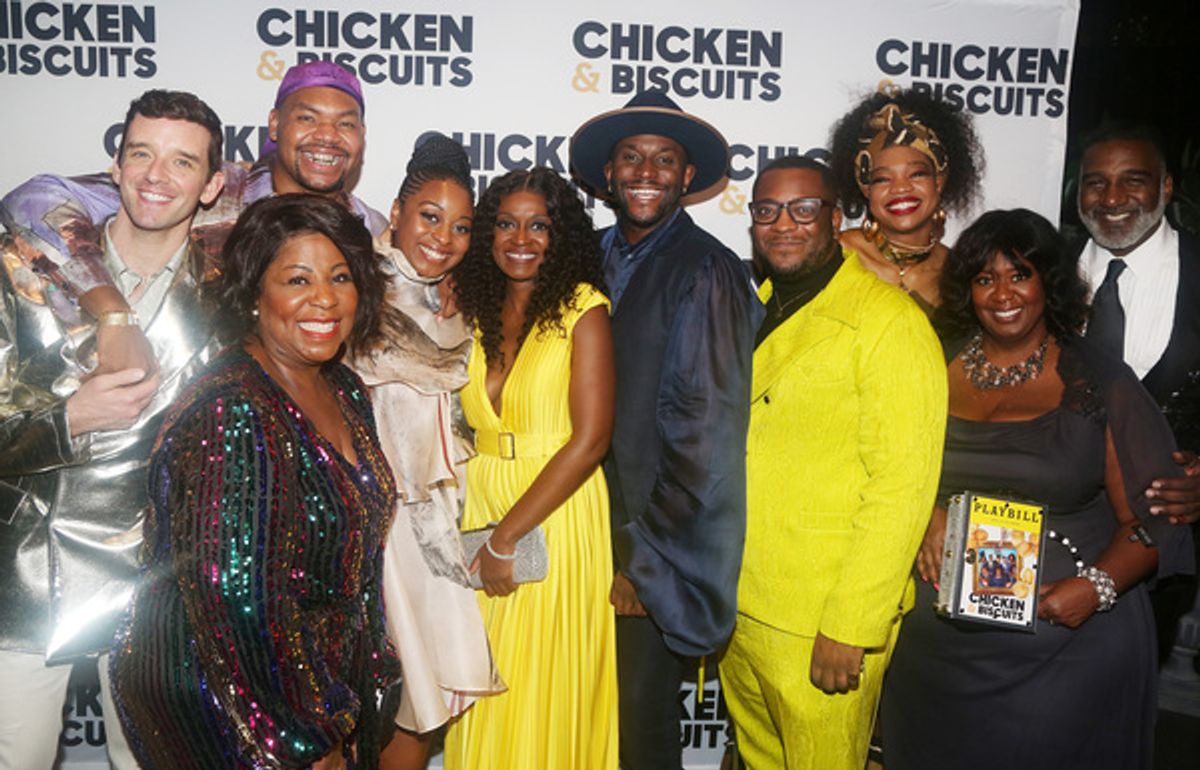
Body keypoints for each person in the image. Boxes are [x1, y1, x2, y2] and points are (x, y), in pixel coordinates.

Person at [881, 208, 1194, 770]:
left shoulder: (1099, 379)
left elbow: (1156, 518)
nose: (1003, 293)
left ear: (1046, 282)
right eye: (984, 278)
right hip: (939, 650)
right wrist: (928, 507)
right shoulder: (929, 364)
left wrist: (1093, 589)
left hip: (1062, 645)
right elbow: (880, 469)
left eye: (1019, 274)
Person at [110, 193, 398, 770]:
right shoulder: (233, 410)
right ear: (252, 295)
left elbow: (358, 558)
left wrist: (365, 684)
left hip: (325, 695)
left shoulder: (344, 390)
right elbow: (238, 600)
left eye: (340, 277)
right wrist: (302, 738)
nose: (324, 298)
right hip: (237, 716)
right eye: (297, 279)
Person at [0, 89, 225, 769]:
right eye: (141, 155)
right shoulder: (30, 271)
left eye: (182, 162)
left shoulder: (232, 293)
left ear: (213, 185)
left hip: (160, 582)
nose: (157, 176)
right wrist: (70, 420)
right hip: (30, 572)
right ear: (116, 166)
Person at [720, 155, 946, 770]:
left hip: (822, 620)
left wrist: (853, 622)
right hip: (741, 602)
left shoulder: (889, 323)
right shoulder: (753, 307)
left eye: (802, 209)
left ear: (835, 216)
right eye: (767, 211)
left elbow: (902, 487)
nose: (783, 224)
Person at [570, 89, 762, 770]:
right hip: (573, 537)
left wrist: (641, 563)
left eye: (663, 159)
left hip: (646, 554)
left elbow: (703, 437)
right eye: (631, 157)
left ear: (686, 176)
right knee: (581, 728)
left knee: (638, 736)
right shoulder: (582, 257)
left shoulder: (707, 270)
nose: (646, 171)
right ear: (608, 173)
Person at [1, 59, 384, 378]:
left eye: (346, 124)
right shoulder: (209, 186)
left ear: (362, 136)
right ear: (274, 124)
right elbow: (35, 201)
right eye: (308, 118)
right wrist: (111, 309)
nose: (327, 137)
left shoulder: (371, 230)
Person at [440, 168, 618, 769]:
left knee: (544, 680)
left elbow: (591, 440)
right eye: (506, 224)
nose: (522, 238)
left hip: (556, 511)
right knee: (484, 683)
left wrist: (507, 537)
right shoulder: (474, 314)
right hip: (483, 503)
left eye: (539, 225)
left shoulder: (583, 310)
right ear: (487, 235)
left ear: (559, 236)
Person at [346, 133, 504, 770]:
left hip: (437, 527)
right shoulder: (353, 288)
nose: (443, 237)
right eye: (429, 217)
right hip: (371, 527)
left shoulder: (459, 303)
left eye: (462, 227)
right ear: (397, 212)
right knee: (367, 699)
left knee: (424, 694)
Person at [1074, 124, 1200, 662]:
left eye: (1134, 180)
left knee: (1127, 711)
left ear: (1167, 187)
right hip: (1057, 536)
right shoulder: (1039, 272)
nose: (1113, 198)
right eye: (1096, 182)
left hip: (1167, 552)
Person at [828, 86, 984, 311]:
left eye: (917, 174)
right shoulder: (837, 254)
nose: (900, 188)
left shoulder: (958, 273)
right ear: (866, 189)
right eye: (882, 179)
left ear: (938, 182)